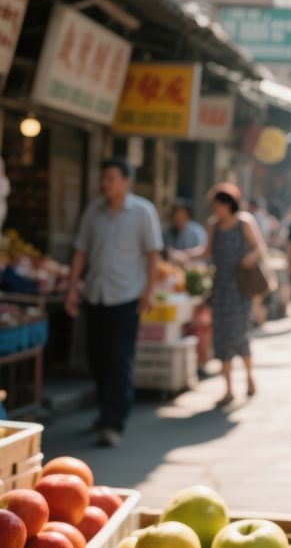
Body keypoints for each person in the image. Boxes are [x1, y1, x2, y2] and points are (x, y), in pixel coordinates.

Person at [65, 158, 163, 447]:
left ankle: (113, 422)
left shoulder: (143, 212)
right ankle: (105, 411)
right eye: (103, 178)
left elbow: (153, 255)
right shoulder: (93, 211)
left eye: (111, 178)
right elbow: (80, 252)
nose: (104, 183)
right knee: (97, 358)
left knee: (120, 359)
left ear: (125, 182)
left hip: (126, 297)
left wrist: (148, 292)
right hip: (95, 294)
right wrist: (72, 289)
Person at [187, 184, 265, 405]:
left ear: (227, 204)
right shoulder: (213, 226)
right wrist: (185, 256)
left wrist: (249, 258)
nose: (214, 209)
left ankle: (249, 377)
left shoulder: (244, 223)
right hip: (221, 288)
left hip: (240, 288)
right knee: (221, 337)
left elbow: (259, 248)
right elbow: (206, 252)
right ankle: (228, 388)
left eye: (216, 204)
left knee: (239, 335)